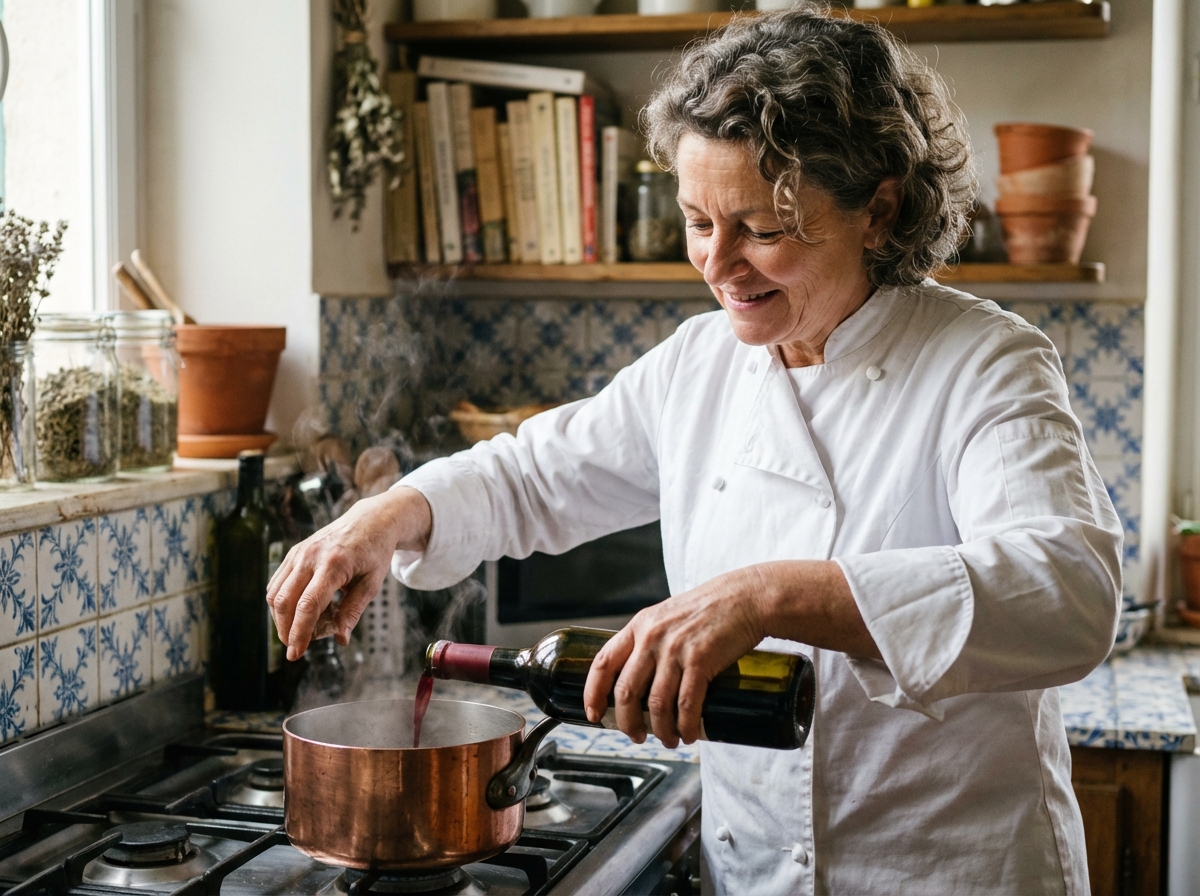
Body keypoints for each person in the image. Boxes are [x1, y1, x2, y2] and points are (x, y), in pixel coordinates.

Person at [268, 6, 1122, 892]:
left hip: (954, 871)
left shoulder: (985, 361)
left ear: (880, 209)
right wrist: (385, 514)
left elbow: (1064, 592)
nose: (719, 264)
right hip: (751, 870)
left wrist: (768, 594)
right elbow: (531, 475)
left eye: (761, 228)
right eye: (697, 222)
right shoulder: (699, 363)